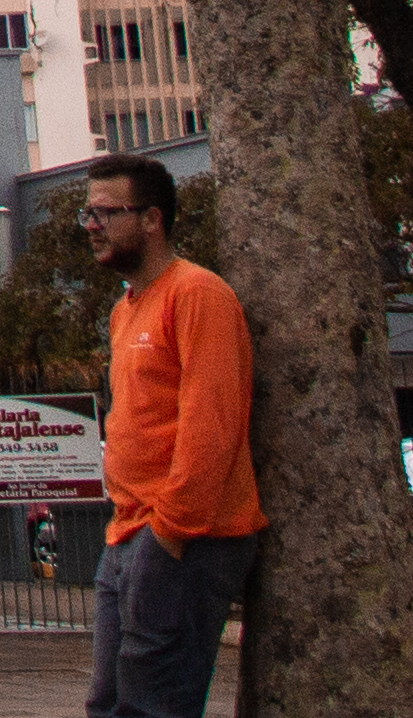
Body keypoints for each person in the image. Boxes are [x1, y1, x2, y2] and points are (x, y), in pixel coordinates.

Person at [85, 154, 264, 718]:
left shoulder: (198, 295)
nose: (92, 225)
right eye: (87, 213)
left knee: (152, 706)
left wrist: (170, 533)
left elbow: (212, 424)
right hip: (128, 532)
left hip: (184, 536)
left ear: (152, 219)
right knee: (108, 702)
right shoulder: (125, 310)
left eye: (106, 212)